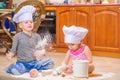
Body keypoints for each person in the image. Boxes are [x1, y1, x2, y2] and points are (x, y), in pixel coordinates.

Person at [5, 5, 54, 75]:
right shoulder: (17, 36)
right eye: (26, 22)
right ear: (20, 25)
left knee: (51, 62)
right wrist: (10, 55)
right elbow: (13, 50)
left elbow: (41, 49)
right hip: (22, 64)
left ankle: (33, 68)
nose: (29, 24)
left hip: (34, 62)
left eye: (31, 22)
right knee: (16, 70)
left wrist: (42, 52)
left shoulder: (37, 36)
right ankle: (12, 67)